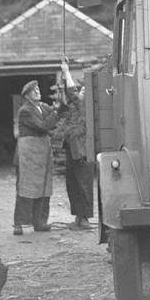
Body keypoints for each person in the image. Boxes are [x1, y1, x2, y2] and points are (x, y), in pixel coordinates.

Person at [13, 80, 60, 235]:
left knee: (44, 187)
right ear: (27, 96)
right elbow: (43, 126)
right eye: (34, 90)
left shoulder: (43, 107)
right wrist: (56, 113)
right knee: (26, 187)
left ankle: (39, 222)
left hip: (42, 153)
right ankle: (19, 223)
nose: (38, 92)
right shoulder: (25, 110)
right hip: (28, 154)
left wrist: (62, 103)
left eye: (38, 89)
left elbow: (54, 116)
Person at [57, 59, 94, 230]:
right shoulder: (76, 106)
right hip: (73, 151)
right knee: (73, 184)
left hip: (83, 153)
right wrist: (63, 80)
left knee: (84, 185)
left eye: (85, 90)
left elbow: (72, 93)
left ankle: (85, 218)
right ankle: (79, 217)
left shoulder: (86, 106)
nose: (82, 90)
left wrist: (66, 71)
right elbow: (68, 97)